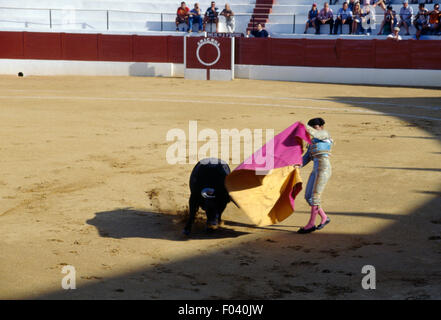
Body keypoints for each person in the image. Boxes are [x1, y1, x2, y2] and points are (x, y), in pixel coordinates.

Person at [298, 118, 333, 234]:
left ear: (321, 126)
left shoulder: (325, 134)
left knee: (315, 197)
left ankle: (311, 224)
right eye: (311, 126)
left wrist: (304, 126)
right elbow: (306, 158)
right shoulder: (312, 142)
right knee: (308, 196)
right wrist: (295, 166)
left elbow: (316, 133)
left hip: (324, 169)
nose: (313, 128)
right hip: (315, 170)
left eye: (315, 126)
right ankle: (324, 217)